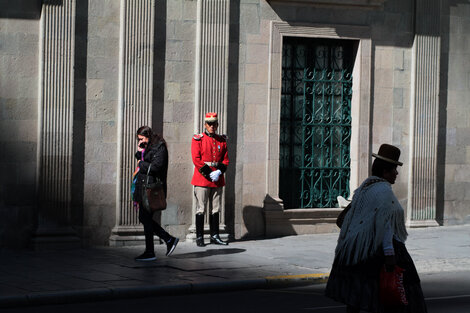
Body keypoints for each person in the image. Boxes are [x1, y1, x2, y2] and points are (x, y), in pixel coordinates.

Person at [325, 144, 427, 313]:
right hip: (379, 252)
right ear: (385, 172)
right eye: (394, 169)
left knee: (357, 298)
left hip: (360, 251)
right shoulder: (383, 191)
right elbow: (385, 226)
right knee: (395, 295)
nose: (397, 173)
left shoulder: (366, 187)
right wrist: (390, 257)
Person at [132, 126, 179, 261]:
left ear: (148, 136)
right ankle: (167, 240)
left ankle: (152, 250)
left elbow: (157, 166)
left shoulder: (160, 147)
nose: (140, 142)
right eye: (138, 140)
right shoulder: (148, 146)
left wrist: (141, 163)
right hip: (143, 187)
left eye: (141, 139)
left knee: (145, 218)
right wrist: (140, 152)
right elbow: (143, 159)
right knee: (144, 218)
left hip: (152, 189)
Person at [191, 112, 229, 247]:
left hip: (217, 178)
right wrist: (208, 173)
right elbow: (196, 159)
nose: (212, 126)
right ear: (205, 125)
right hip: (202, 178)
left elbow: (225, 159)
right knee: (201, 208)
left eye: (214, 124)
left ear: (217, 125)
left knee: (216, 209)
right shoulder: (198, 139)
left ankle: (215, 235)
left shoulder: (222, 140)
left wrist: (219, 171)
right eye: (209, 124)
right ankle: (200, 237)